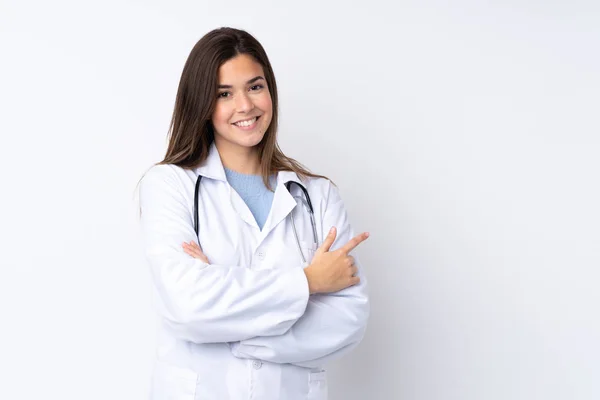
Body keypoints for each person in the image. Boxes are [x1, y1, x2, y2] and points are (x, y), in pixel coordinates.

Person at [137, 27, 370, 400]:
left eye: (255, 87)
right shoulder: (169, 185)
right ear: (201, 103)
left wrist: (227, 322)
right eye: (224, 94)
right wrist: (308, 282)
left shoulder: (317, 195)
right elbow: (187, 305)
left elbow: (346, 322)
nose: (245, 106)